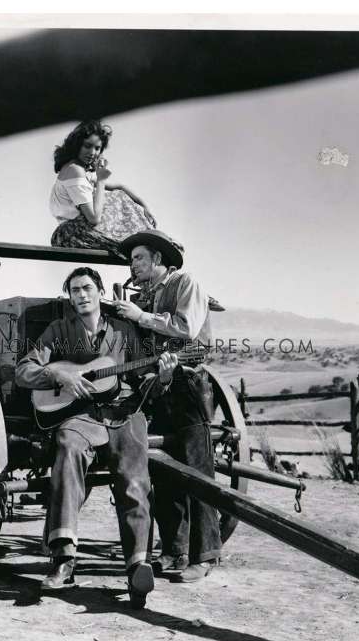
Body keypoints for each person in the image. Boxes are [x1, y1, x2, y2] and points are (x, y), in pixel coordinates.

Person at [15, 266, 177, 608]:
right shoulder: (59, 330)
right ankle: (63, 560)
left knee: (134, 478)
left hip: (124, 412)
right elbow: (24, 370)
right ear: (70, 297)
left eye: (87, 288)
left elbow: (146, 380)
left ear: (100, 292)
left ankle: (137, 567)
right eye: (74, 290)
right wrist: (57, 372)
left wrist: (161, 378)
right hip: (80, 415)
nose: (81, 295)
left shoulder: (124, 330)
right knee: (67, 446)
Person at [113, 230, 222, 583]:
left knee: (197, 470)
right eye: (132, 260)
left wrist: (139, 317)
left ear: (158, 259)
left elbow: (186, 329)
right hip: (158, 387)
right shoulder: (147, 295)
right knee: (162, 472)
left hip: (188, 385)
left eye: (139, 258)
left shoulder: (184, 283)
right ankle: (174, 552)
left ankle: (204, 556)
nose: (133, 265)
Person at [49, 120, 157, 254]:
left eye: (97, 148)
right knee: (114, 200)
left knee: (117, 195)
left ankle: (146, 237)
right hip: (70, 235)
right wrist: (101, 180)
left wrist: (144, 207)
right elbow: (94, 218)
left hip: (77, 231)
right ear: (76, 145)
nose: (92, 152)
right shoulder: (74, 170)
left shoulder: (81, 170)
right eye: (87, 146)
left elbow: (120, 188)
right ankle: (146, 239)